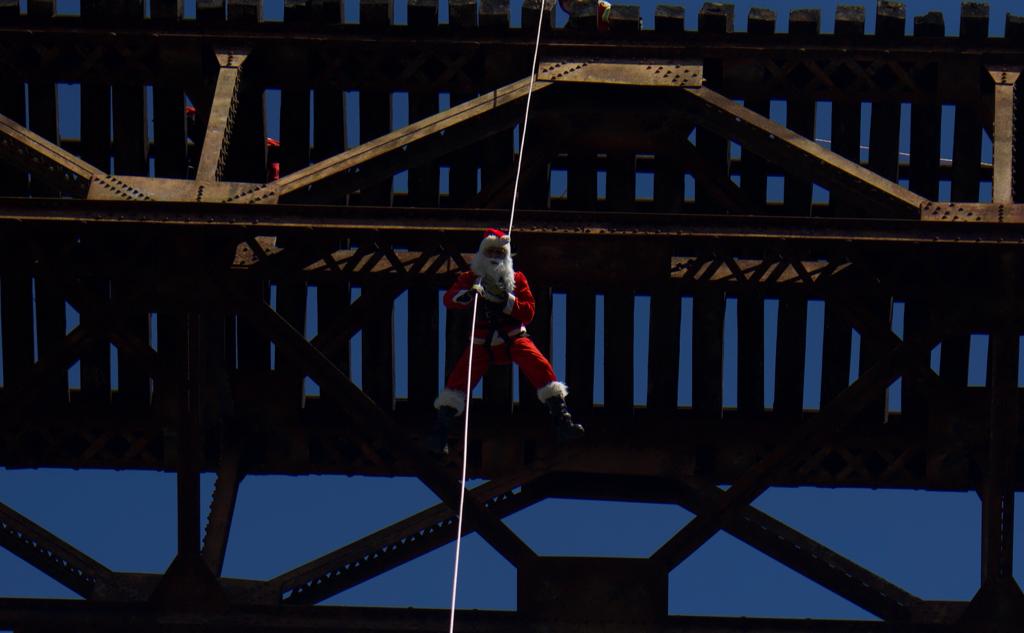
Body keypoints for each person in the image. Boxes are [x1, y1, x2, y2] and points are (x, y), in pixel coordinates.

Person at [428, 228, 585, 454]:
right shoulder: (470, 278)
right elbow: (449, 300)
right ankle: (440, 432)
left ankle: (562, 419)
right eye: (490, 252)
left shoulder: (516, 280)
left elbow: (529, 312)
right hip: (482, 343)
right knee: (458, 379)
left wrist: (506, 299)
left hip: (513, 338)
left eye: (499, 253)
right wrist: (470, 294)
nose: (494, 257)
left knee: (538, 364)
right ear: (482, 254)